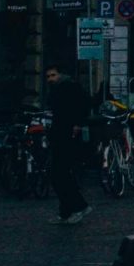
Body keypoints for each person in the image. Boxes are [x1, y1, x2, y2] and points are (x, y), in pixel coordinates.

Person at [46, 63, 92, 225]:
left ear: (61, 75)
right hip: (59, 134)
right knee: (59, 174)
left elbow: (83, 105)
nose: (50, 79)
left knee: (61, 173)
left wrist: (78, 123)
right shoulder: (55, 90)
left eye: (53, 75)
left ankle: (79, 206)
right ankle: (66, 210)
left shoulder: (70, 88)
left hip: (68, 135)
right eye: (48, 76)